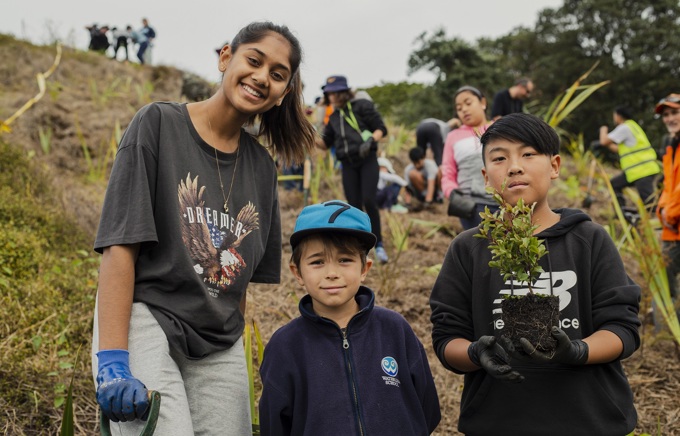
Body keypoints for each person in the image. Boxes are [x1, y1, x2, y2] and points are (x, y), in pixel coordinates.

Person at [91, 21, 316, 435]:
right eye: (254, 60)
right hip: (148, 319)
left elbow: (238, 288)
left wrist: (236, 359)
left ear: (283, 92)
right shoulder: (158, 124)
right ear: (226, 56)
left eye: (278, 74)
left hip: (219, 343)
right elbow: (120, 247)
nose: (262, 77)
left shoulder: (263, 169)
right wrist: (112, 358)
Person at [430, 113, 641, 436]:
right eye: (500, 158)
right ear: (486, 177)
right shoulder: (468, 249)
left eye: (528, 154)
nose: (515, 166)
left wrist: (579, 351)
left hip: (590, 421)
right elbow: (447, 339)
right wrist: (475, 353)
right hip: (499, 422)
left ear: (554, 166)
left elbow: (622, 328)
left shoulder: (589, 240)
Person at [259, 200, 441, 435]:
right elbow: (275, 424)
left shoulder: (395, 330)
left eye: (345, 260)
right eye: (317, 262)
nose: (332, 273)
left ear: (365, 268)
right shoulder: (285, 346)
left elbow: (426, 409)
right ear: (298, 272)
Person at [316, 75, 390, 263]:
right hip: (347, 164)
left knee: (369, 200)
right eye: (330, 94)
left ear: (345, 92)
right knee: (354, 204)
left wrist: (372, 140)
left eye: (337, 92)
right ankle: (361, 245)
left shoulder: (362, 106)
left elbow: (381, 128)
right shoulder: (333, 117)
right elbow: (324, 144)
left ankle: (379, 244)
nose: (334, 97)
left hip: (367, 160)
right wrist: (303, 133)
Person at [441, 85, 497, 229]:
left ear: (483, 103)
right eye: (459, 108)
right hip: (472, 207)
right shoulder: (453, 137)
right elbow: (447, 172)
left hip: (505, 203)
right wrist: (452, 193)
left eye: (468, 103)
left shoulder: (500, 128)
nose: (464, 110)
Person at [599, 106, 661, 209]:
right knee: (614, 184)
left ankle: (662, 220)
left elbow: (603, 140)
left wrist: (603, 128)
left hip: (642, 171)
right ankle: (622, 213)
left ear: (619, 116)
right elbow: (619, 149)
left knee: (649, 203)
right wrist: (608, 145)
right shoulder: (633, 126)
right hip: (637, 170)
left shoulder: (624, 127)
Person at [655, 93, 680, 325]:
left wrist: (669, 213)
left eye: (675, 112)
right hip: (672, 229)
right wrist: (662, 209)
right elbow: (669, 186)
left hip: (674, 223)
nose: (670, 118)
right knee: (665, 277)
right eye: (667, 115)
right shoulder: (671, 145)